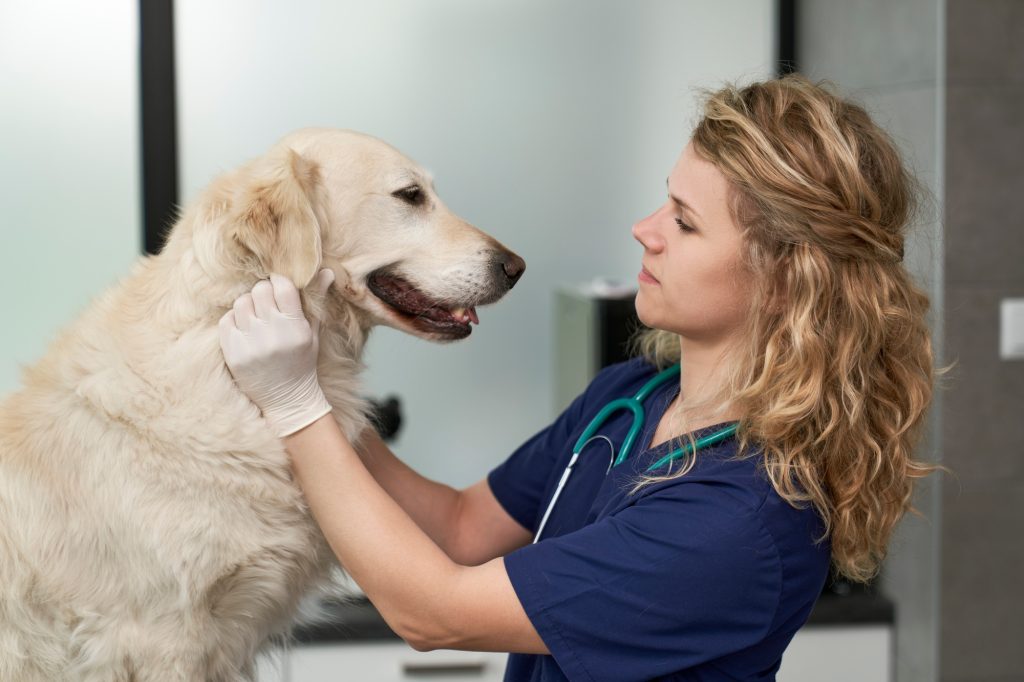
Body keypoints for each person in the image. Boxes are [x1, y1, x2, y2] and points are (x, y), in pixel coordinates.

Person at [219, 74, 937, 681]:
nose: (644, 228)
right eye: (666, 200)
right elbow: (462, 529)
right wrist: (325, 393)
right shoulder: (632, 397)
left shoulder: (740, 520)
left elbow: (433, 612)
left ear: (783, 280)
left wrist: (298, 406)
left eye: (684, 223)